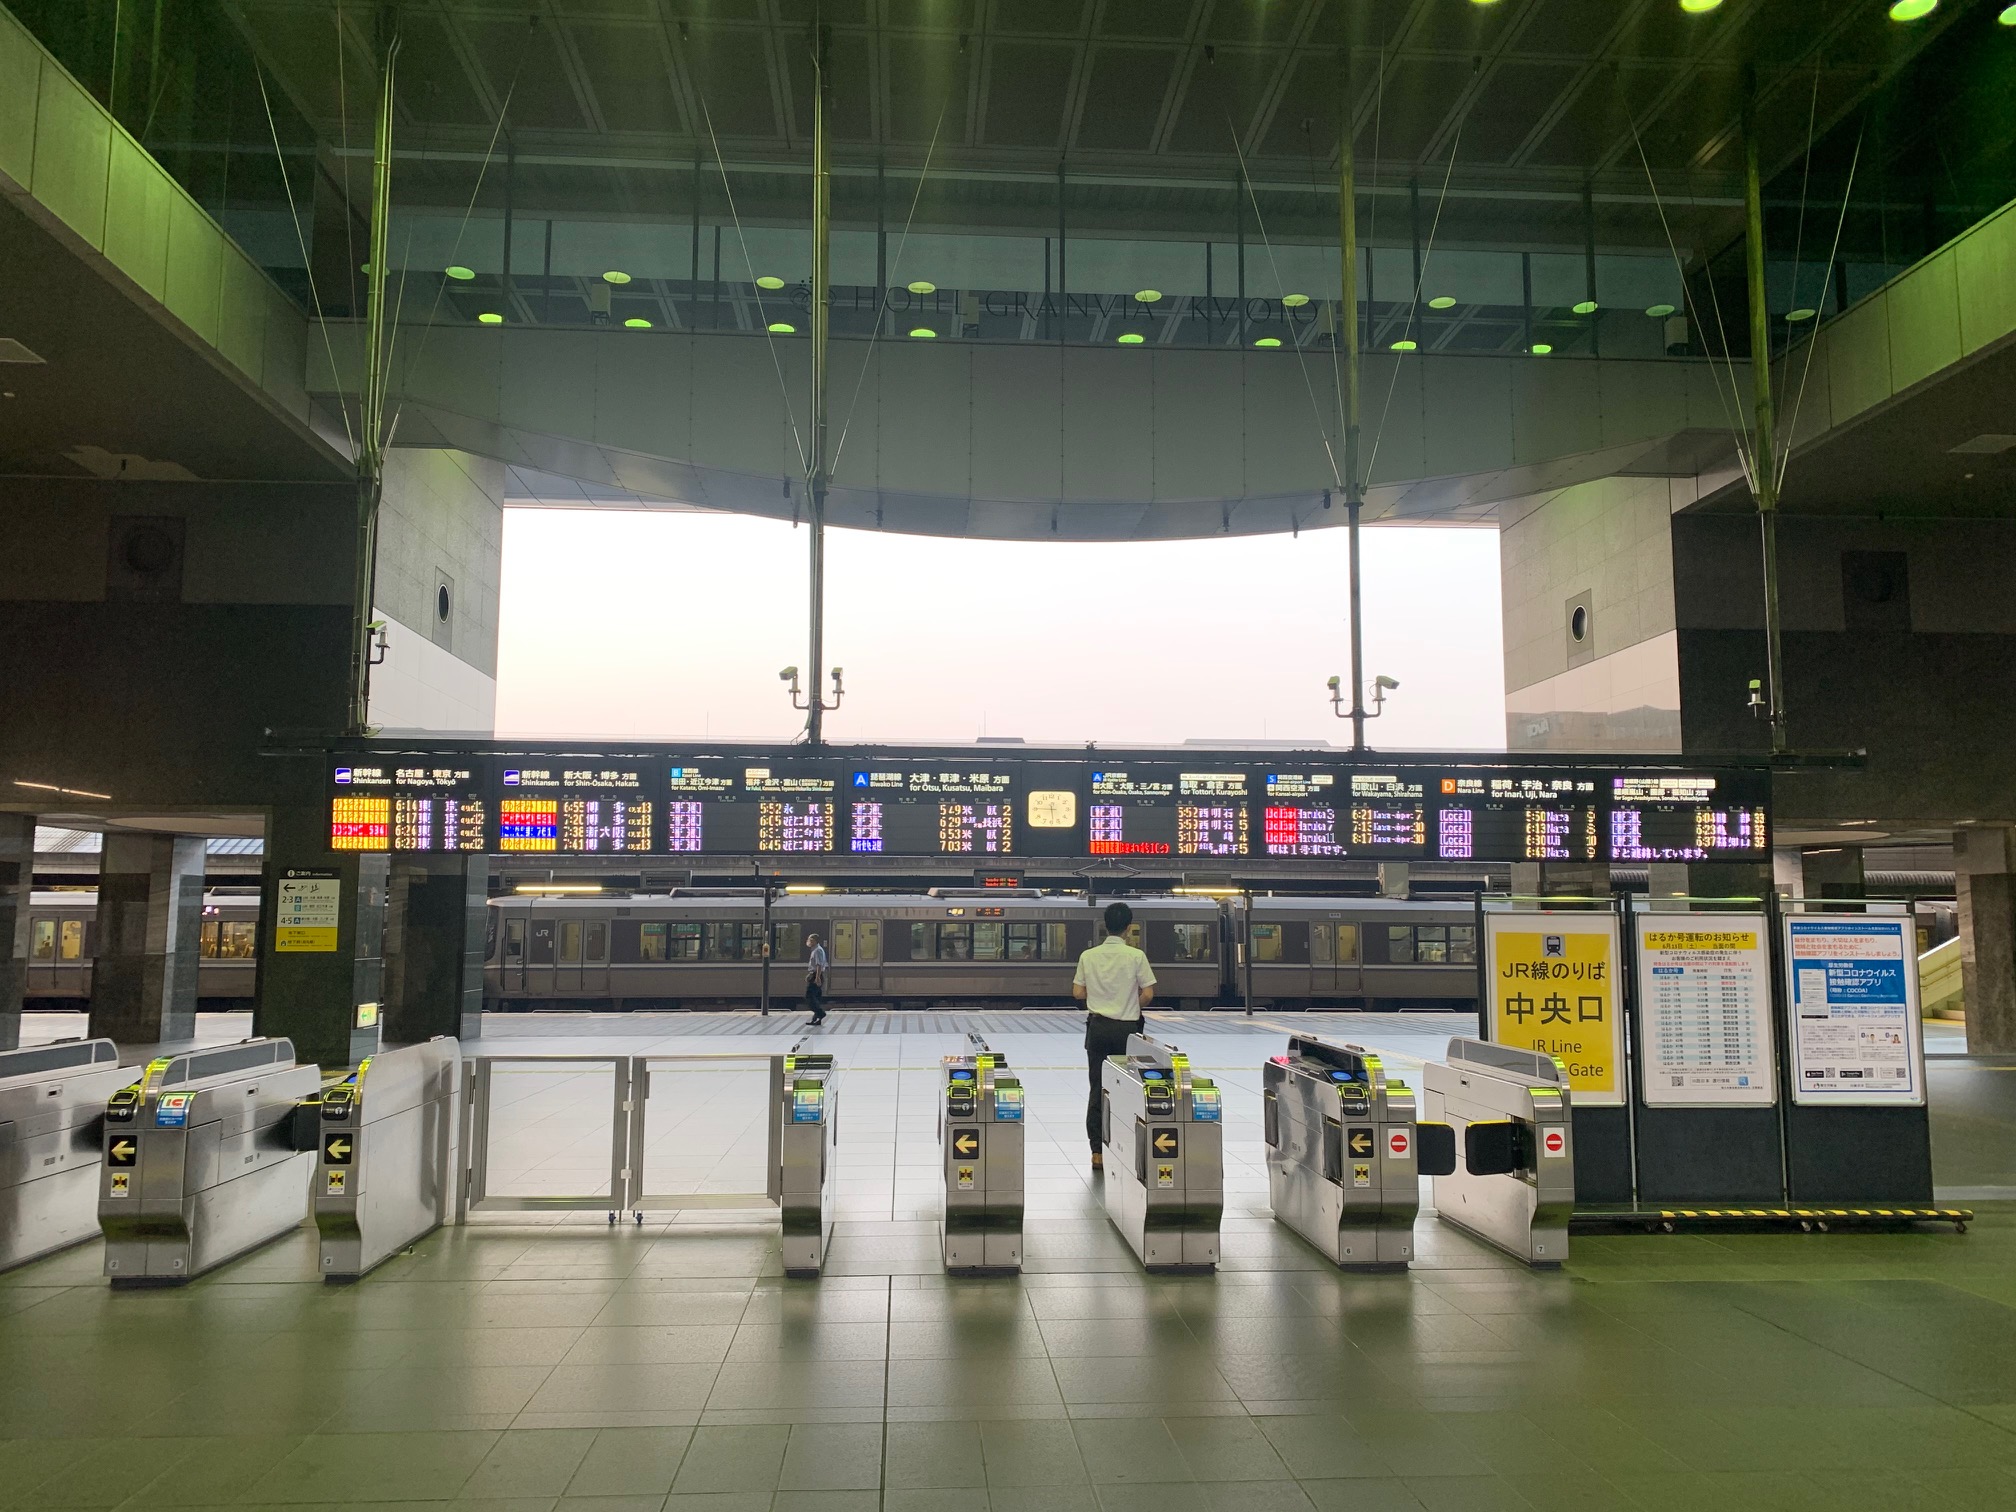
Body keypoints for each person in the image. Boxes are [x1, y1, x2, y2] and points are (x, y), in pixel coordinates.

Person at [1074, 900, 1155, 1170]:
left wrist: (1099, 997)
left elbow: (1078, 993)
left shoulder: (1089, 956)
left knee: (1097, 1088)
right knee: (1129, 1087)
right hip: (1127, 1031)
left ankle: (1097, 1152)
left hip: (1098, 1029)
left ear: (1105, 926)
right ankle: (1124, 1143)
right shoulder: (1136, 956)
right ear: (1128, 928)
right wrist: (1129, 1004)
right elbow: (1148, 993)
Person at [804, 932, 829, 1026]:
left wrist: (817, 977)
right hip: (814, 974)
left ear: (814, 941)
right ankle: (816, 1019)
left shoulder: (817, 950)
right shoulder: (816, 950)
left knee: (809, 996)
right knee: (815, 998)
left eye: (810, 940)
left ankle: (820, 1013)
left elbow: (818, 965)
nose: (808, 942)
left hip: (816, 975)